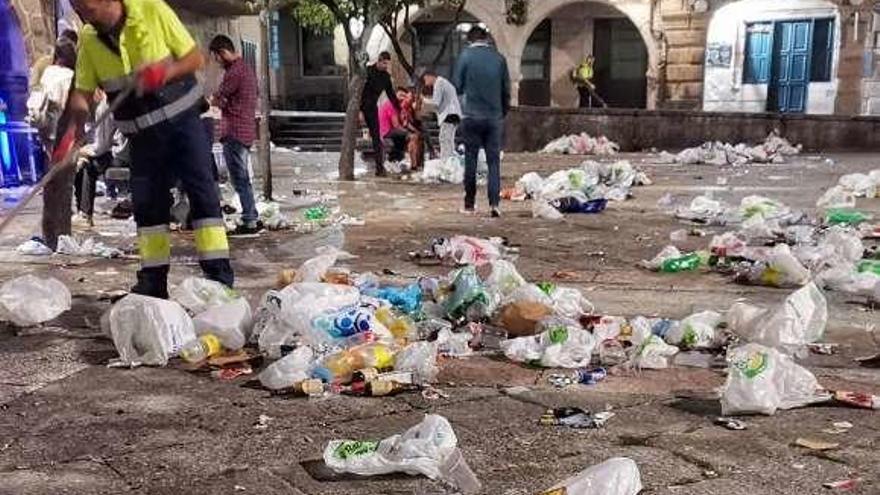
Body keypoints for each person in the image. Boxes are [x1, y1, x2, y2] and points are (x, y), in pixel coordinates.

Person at [56, 0, 234, 298]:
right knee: (148, 208)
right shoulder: (88, 37)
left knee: (203, 199)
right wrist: (72, 133)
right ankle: (153, 282)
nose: (82, 14)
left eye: (86, 6)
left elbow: (194, 59)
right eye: (76, 8)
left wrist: (162, 74)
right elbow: (82, 94)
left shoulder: (151, 9)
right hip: (142, 139)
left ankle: (219, 279)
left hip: (184, 126)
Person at [453, 26, 509, 218]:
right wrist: (502, 112)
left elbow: (457, 86)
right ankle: (494, 204)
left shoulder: (465, 56)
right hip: (494, 117)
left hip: (471, 116)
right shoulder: (499, 58)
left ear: (470, 40)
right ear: (486, 39)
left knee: (471, 160)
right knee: (494, 162)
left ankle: (469, 204)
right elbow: (506, 90)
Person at [209, 34, 261, 235]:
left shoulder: (234, 73)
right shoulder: (246, 69)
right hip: (246, 130)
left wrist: (213, 100)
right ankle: (251, 216)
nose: (217, 62)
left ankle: (250, 219)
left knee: (240, 178)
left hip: (235, 132)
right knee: (242, 178)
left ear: (222, 53)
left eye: (216, 57)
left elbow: (218, 98)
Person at [361, 51, 399, 176]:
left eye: (387, 64)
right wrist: (359, 111)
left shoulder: (386, 77)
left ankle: (379, 168)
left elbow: (391, 95)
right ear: (379, 60)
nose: (385, 66)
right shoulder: (367, 71)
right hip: (362, 105)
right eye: (383, 63)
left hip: (373, 107)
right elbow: (359, 90)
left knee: (376, 138)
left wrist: (399, 109)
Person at [420, 69, 461, 160]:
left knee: (444, 139)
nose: (426, 83)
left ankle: (445, 160)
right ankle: (450, 160)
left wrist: (423, 100)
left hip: (449, 114)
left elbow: (436, 103)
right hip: (454, 113)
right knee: (449, 139)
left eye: (425, 80)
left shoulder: (439, 83)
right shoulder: (445, 83)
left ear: (429, 76)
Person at [378, 87, 421, 168]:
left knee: (416, 135)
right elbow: (396, 125)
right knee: (413, 137)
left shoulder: (399, 106)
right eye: (400, 95)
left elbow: (405, 123)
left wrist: (414, 130)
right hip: (386, 131)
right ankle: (414, 164)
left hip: (393, 131)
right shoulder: (390, 105)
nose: (402, 97)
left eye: (404, 96)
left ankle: (405, 160)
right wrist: (410, 132)